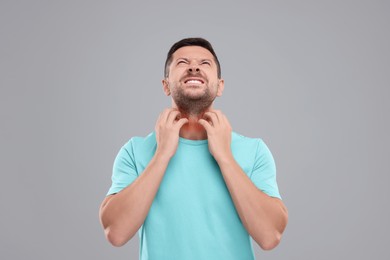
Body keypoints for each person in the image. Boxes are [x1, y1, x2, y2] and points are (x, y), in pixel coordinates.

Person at [99, 37, 288, 260]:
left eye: (205, 63)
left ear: (220, 86)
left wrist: (225, 157)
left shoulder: (254, 151)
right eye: (182, 63)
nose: (194, 67)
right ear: (165, 85)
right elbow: (116, 233)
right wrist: (161, 155)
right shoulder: (135, 151)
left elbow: (270, 236)